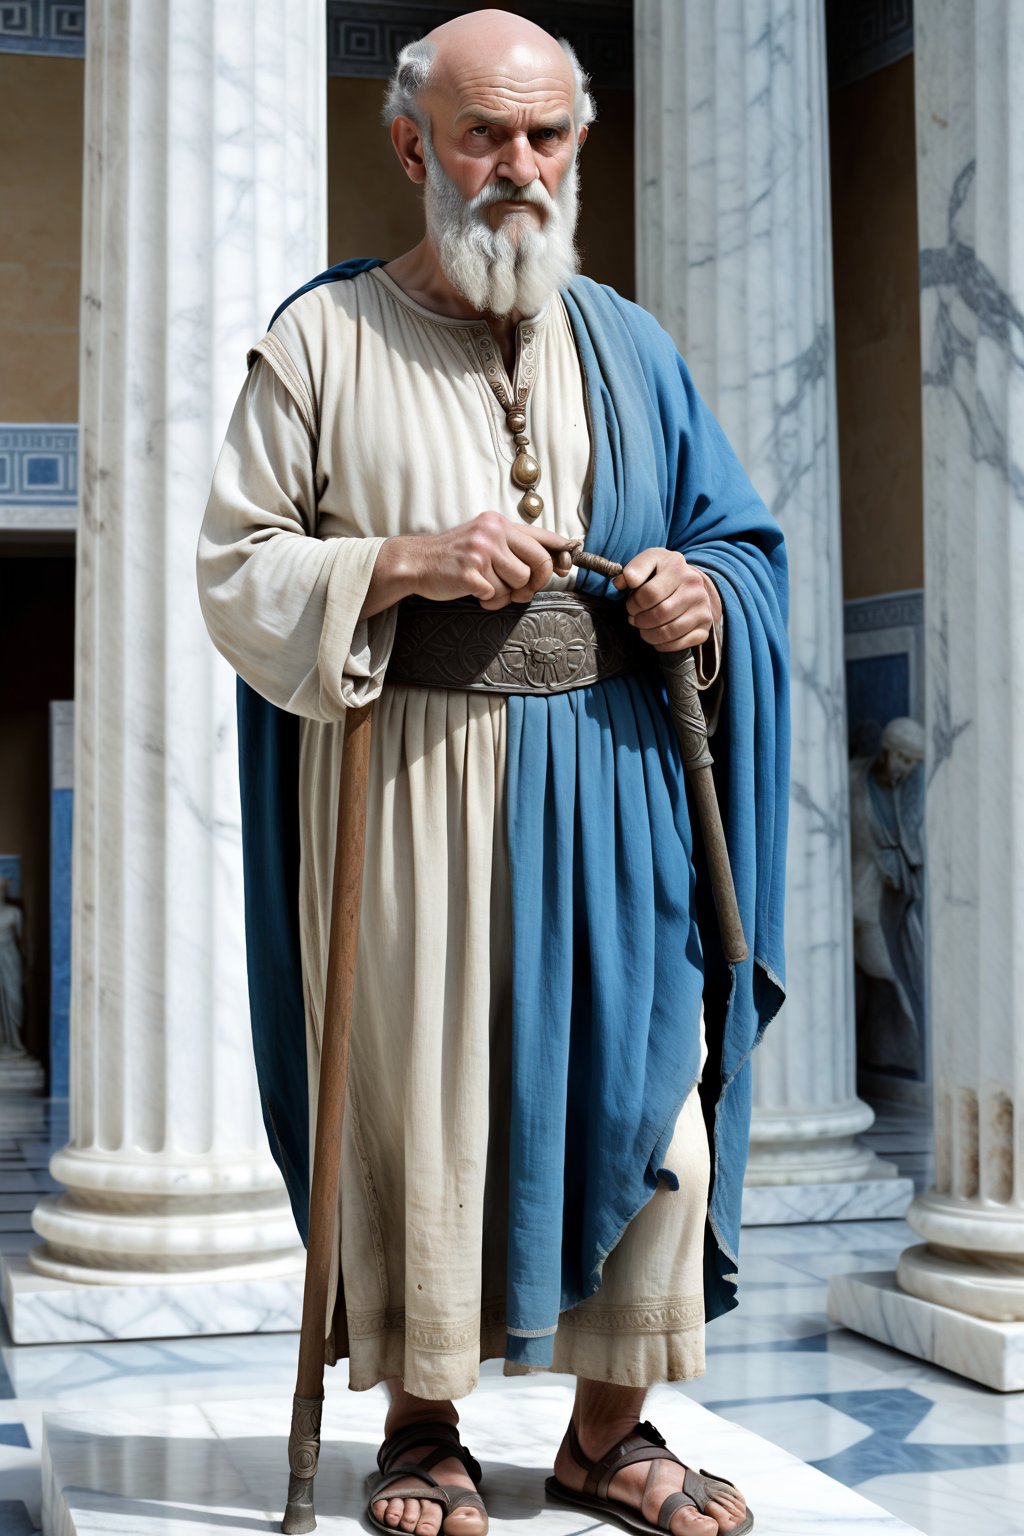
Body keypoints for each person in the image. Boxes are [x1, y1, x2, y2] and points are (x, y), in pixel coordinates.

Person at [198, 13, 789, 1536]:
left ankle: (611, 1436)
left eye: (547, 138)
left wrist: (700, 597)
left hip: (615, 788)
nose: (518, 168)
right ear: (414, 148)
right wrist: (403, 559)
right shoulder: (320, 341)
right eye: (483, 136)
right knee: (426, 1111)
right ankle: (423, 1430)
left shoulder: (635, 345)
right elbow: (237, 572)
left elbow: (741, 543)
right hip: (406, 801)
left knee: (656, 1113)